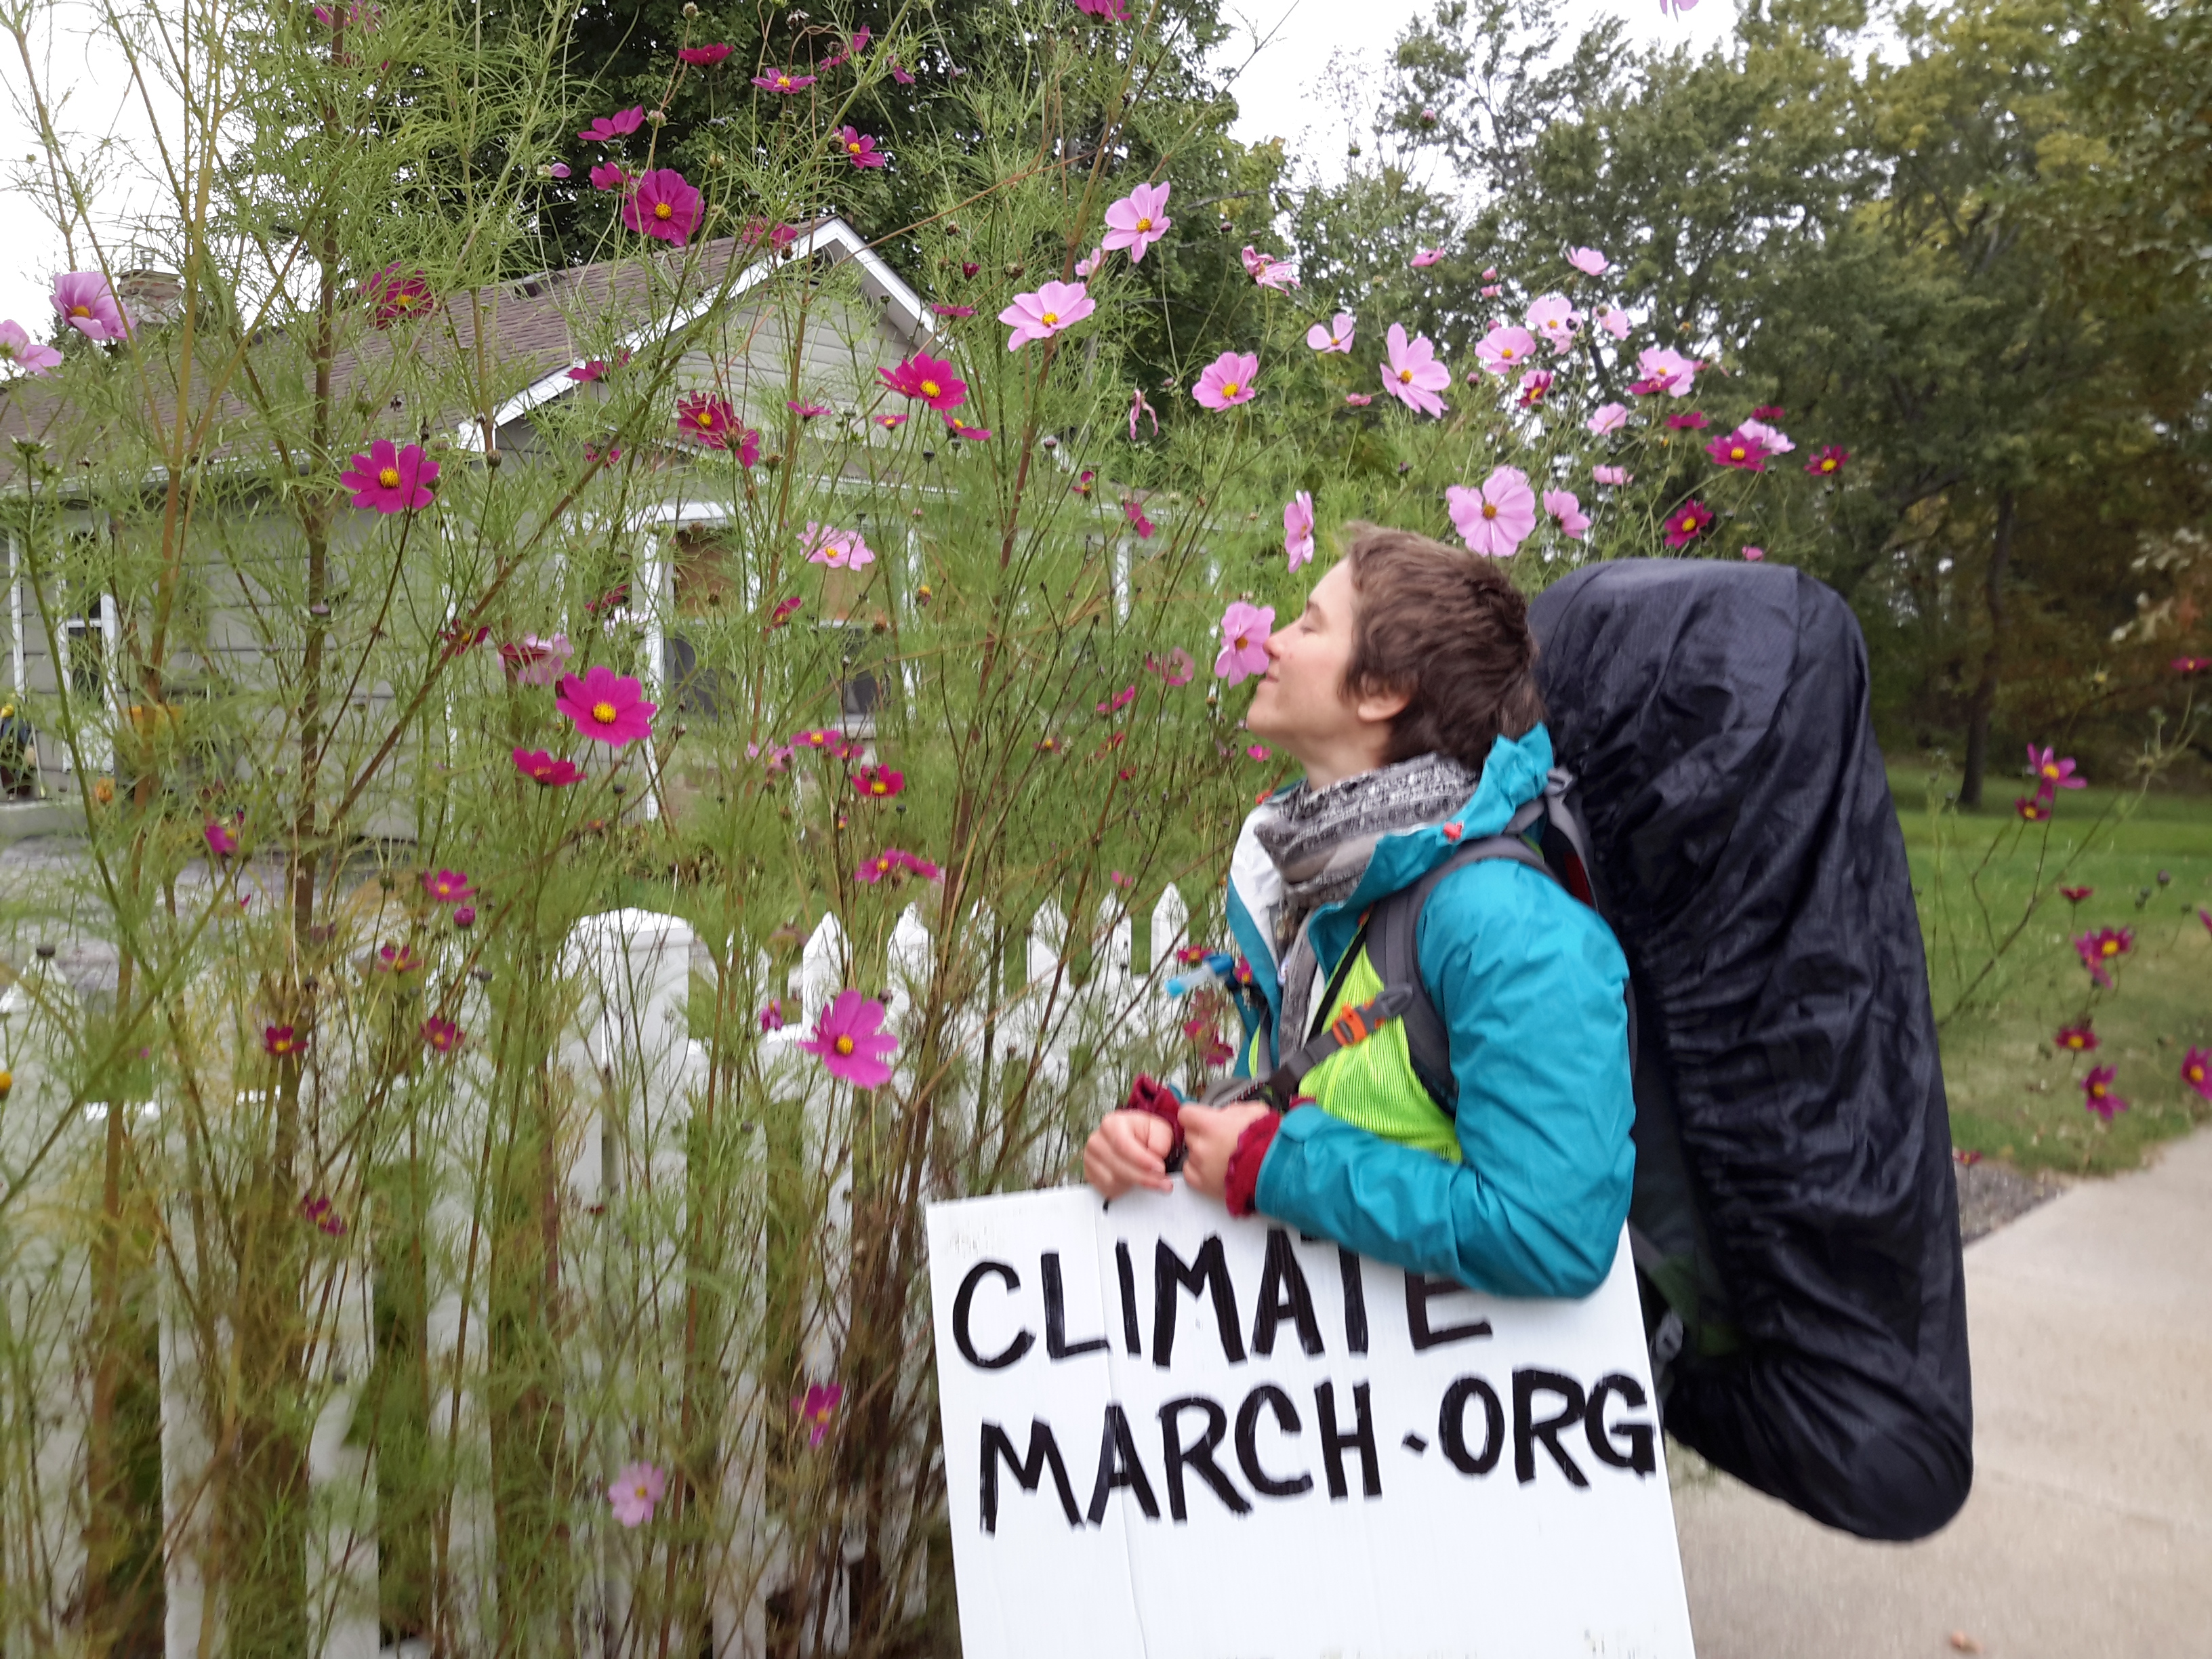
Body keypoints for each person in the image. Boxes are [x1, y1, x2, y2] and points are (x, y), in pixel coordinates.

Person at [1082, 524, 1635, 1298]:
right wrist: (1178, 1142)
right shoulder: (1326, 885)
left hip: (1455, 1412)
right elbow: (1325, 1104)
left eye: (1309, 624)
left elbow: (1553, 1233)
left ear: (1381, 691)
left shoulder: (1503, 923)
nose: (1271, 641)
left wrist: (1278, 1164)